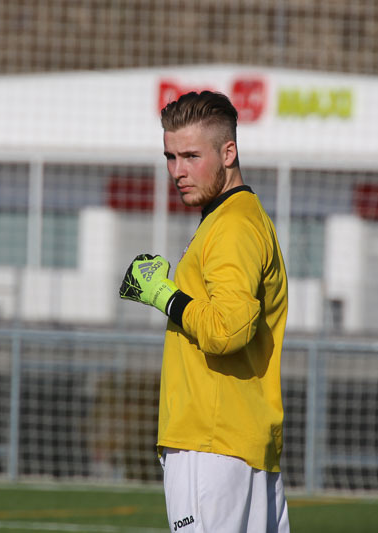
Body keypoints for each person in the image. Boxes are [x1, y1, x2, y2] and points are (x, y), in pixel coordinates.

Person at [119, 91, 290, 532]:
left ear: (228, 153)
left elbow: (227, 330)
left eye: (192, 156)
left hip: (212, 443)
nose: (178, 171)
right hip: (236, 441)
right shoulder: (238, 217)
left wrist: (164, 296)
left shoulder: (232, 225)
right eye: (170, 157)